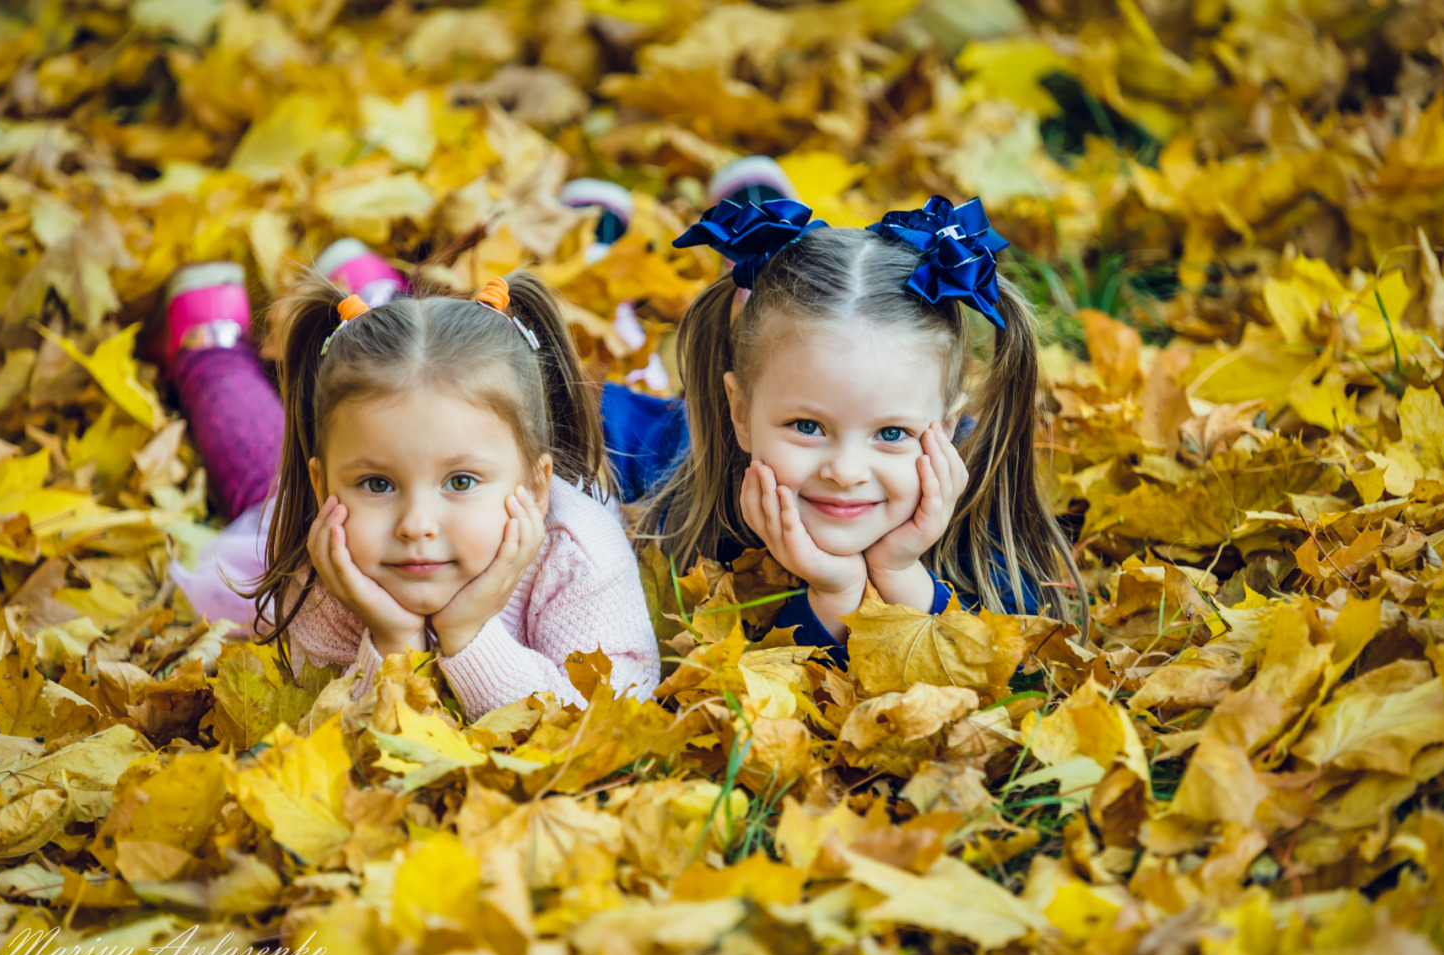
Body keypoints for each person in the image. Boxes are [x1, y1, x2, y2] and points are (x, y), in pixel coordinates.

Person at [622, 192, 1088, 660]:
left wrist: (900, 575)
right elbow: (718, 691)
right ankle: (619, 267)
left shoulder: (983, 530)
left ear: (945, 428)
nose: (845, 472)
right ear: (739, 413)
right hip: (670, 436)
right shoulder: (682, 524)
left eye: (890, 434)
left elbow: (1014, 670)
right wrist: (834, 597)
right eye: (807, 426)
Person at [243, 271, 660, 717]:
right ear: (323, 486)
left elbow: (601, 727)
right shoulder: (329, 582)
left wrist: (469, 634)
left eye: (460, 481)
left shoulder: (581, 559)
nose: (416, 525)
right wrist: (393, 643)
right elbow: (331, 747)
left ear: (536, 488)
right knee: (247, 469)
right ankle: (213, 349)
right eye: (378, 484)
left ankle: (371, 276)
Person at [158, 240, 410, 629]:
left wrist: (405, 635)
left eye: (461, 482)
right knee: (418, 400)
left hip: (322, 541)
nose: (419, 523)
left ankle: (215, 356)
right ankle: (376, 327)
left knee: (272, 476)